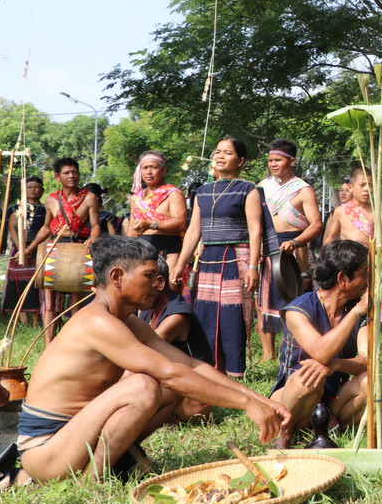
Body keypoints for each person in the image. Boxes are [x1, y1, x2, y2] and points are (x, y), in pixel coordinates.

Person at [16, 236, 290, 483]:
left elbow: (190, 365)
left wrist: (262, 401)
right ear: (117, 276)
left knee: (165, 391)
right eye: (148, 275)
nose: (157, 284)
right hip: (46, 451)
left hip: (75, 437)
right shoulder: (97, 322)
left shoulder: (128, 322)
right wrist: (245, 404)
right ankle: (91, 481)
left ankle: (112, 462)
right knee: (144, 386)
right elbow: (171, 373)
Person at [172, 137, 279, 377]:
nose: (220, 156)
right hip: (209, 258)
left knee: (233, 316)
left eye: (227, 152)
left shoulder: (248, 189)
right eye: (217, 152)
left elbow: (255, 230)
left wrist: (253, 265)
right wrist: (180, 264)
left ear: (240, 161)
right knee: (206, 314)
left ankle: (234, 373)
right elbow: (193, 231)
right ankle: (209, 371)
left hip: (237, 259)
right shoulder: (202, 192)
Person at [269, 240, 370, 449]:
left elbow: (368, 361)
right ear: (342, 278)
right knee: (306, 379)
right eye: (364, 273)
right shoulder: (297, 310)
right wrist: (356, 312)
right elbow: (320, 353)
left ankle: (324, 433)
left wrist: (337, 365)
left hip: (332, 403)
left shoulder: (360, 311)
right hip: (294, 401)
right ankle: (284, 435)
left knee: (370, 382)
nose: (368, 280)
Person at [257, 139, 323, 360]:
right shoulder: (261, 187)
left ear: (291, 161)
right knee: (263, 300)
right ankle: (268, 355)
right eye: (270, 160)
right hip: (266, 247)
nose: (273, 164)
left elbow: (316, 225)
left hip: (292, 248)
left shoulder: (303, 190)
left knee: (290, 299)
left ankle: (293, 350)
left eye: (278, 160)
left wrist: (295, 242)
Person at [24, 158, 100, 344]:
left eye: (74, 172)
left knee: (76, 300)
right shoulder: (50, 200)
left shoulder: (89, 198)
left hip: (79, 250)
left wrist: (93, 237)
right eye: (66, 173)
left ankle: (74, 342)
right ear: (57, 176)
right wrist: (29, 249)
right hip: (54, 251)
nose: (71, 176)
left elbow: (96, 225)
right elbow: (47, 228)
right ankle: (49, 343)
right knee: (50, 302)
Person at [138, 256, 214, 423]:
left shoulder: (177, 316)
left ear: (159, 283)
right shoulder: (146, 307)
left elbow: (142, 352)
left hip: (194, 402)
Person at [127, 151, 188, 276]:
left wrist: (151, 224)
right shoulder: (137, 198)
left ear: (163, 170)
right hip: (142, 253)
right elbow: (132, 230)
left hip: (169, 252)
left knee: (169, 290)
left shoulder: (173, 194)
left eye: (153, 167)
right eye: (145, 168)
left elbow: (181, 224)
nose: (149, 172)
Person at [1, 176, 46, 326]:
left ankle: (35, 322)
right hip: (18, 251)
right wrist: (21, 248)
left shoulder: (46, 209)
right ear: (24, 190)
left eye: (36, 187)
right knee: (18, 284)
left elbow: (48, 229)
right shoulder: (16, 208)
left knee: (37, 284)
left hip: (39, 249)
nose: (33, 190)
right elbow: (12, 228)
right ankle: (23, 322)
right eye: (29, 187)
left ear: (42, 190)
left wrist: (31, 248)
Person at [322, 165, 375, 247]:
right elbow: (331, 238)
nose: (366, 189)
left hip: (368, 258)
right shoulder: (340, 211)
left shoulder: (376, 212)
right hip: (345, 257)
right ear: (350, 187)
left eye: (370, 185)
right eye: (362, 185)